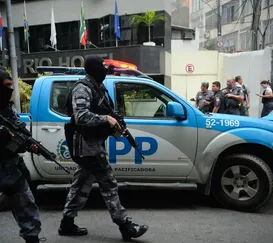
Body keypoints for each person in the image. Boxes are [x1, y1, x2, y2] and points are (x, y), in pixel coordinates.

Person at [58, 55, 148, 240]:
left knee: (81, 183)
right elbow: (81, 116)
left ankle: (67, 223)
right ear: (93, 68)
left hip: (93, 144)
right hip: (86, 146)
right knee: (108, 183)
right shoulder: (82, 88)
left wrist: (114, 123)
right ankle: (125, 226)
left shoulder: (98, 88)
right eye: (102, 66)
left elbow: (104, 111)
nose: (105, 70)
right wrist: (106, 119)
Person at [0, 69, 45, 243]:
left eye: (11, 85)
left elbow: (19, 128)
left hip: (10, 165)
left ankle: (32, 237)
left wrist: (30, 144)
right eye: (6, 86)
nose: (10, 89)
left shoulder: (6, 109)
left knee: (25, 202)